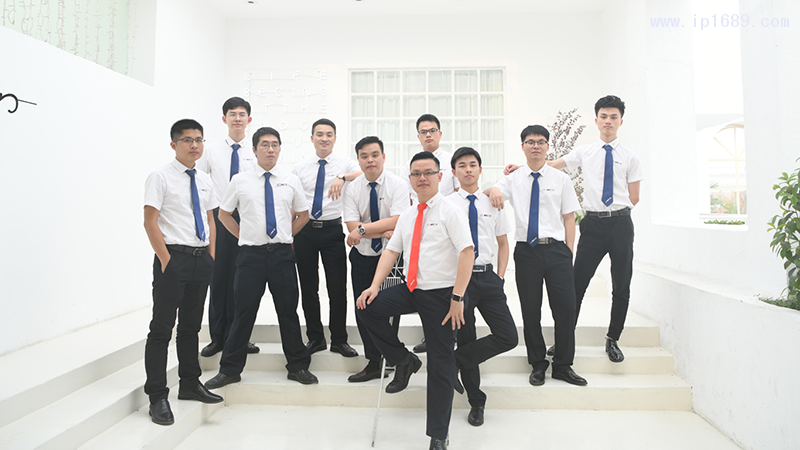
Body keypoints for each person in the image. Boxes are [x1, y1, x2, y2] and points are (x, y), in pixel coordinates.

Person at [356, 152, 474, 450]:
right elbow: (391, 252)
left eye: (428, 173)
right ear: (410, 179)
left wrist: (458, 297)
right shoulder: (408, 215)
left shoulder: (450, 211)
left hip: (443, 295)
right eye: (416, 174)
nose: (422, 178)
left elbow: (467, 252)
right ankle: (404, 359)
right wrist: (374, 286)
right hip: (412, 290)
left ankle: (438, 434)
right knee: (367, 308)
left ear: (440, 177)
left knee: (441, 363)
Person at [204, 127, 318, 389]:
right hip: (250, 257)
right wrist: (242, 235)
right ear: (254, 150)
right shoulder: (239, 181)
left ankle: (298, 366)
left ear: (280, 149)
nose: (270, 149)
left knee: (288, 312)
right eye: (265, 145)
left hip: (282, 256)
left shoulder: (290, 180)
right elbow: (224, 214)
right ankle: (230, 370)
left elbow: (303, 215)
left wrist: (287, 235)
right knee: (243, 313)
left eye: (275, 145)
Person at [487, 125, 588, 387]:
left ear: (547, 147)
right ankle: (538, 364)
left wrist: (568, 252)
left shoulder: (561, 179)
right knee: (530, 310)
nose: (536, 146)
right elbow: (489, 195)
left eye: (541, 142)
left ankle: (563, 365)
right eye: (530, 142)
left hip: (557, 251)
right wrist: (493, 188)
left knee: (565, 310)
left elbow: (569, 218)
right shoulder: (513, 178)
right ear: (522, 146)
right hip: (527, 252)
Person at [547, 95, 643, 362]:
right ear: (596, 120)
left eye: (613, 117)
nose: (608, 121)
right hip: (592, 225)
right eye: (604, 116)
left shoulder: (631, 157)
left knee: (621, 284)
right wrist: (522, 168)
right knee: (576, 283)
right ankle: (564, 339)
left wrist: (615, 210)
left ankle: (613, 338)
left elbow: (634, 197)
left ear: (621, 121)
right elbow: (552, 166)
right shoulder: (584, 152)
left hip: (621, 225)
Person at [143, 119, 223, 426]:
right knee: (162, 328)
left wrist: (211, 256)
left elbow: (210, 218)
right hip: (173, 258)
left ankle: (189, 383)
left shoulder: (204, 179)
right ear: (174, 144)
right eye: (187, 140)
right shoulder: (160, 177)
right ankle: (157, 396)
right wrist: (165, 259)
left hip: (201, 259)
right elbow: (150, 221)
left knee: (190, 327)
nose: (194, 145)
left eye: (199, 140)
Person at [446, 147, 518, 426]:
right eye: (462, 165)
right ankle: (477, 402)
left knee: (508, 336)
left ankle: (455, 361)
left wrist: (499, 277)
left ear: (480, 169)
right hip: (460, 281)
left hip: (488, 279)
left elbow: (503, 243)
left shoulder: (493, 202)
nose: (468, 169)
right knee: (467, 339)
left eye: (472, 164)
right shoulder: (447, 204)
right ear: (454, 172)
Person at [292, 119, 362, 357]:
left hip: (332, 231)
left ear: (335, 138)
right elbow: (292, 201)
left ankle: (339, 339)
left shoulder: (345, 164)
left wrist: (342, 176)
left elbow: (364, 172)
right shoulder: (300, 168)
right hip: (305, 230)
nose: (324, 138)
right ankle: (315, 337)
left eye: (329, 134)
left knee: (337, 286)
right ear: (312, 138)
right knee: (308, 286)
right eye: (319, 134)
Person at [343, 136, 410, 382]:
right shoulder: (352, 188)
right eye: (364, 156)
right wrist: (380, 230)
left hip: (391, 255)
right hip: (362, 256)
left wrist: (363, 229)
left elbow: (398, 221)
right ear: (358, 160)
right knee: (363, 308)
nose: (370, 160)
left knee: (390, 309)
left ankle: (394, 359)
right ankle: (373, 362)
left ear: (383, 157)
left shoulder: (397, 185)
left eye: (374, 155)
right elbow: (351, 226)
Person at [196, 96, 260, 358]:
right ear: (224, 119)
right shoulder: (211, 151)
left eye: (242, 114)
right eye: (232, 114)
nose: (237, 118)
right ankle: (217, 338)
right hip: (219, 218)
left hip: (247, 219)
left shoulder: (256, 151)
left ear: (249, 119)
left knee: (243, 280)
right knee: (218, 277)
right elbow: (199, 183)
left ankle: (240, 337)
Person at [403, 113, 459, 353]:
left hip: (447, 227)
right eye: (423, 132)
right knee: (424, 281)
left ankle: (448, 337)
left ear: (440, 134)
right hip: (422, 227)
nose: (428, 135)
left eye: (432, 130)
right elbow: (411, 199)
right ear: (418, 136)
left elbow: (459, 193)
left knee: (444, 283)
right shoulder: (413, 164)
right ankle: (431, 336)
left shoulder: (451, 160)